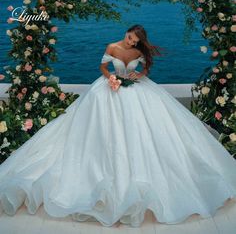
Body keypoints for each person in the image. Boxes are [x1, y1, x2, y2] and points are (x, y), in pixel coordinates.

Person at [0, 24, 236, 228]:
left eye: (135, 39)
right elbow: (102, 67)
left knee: (143, 130)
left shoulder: (139, 51)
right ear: (126, 32)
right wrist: (110, 78)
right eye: (130, 36)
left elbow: (145, 70)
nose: (130, 40)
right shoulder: (112, 47)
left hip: (136, 91)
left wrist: (139, 76)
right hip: (108, 89)